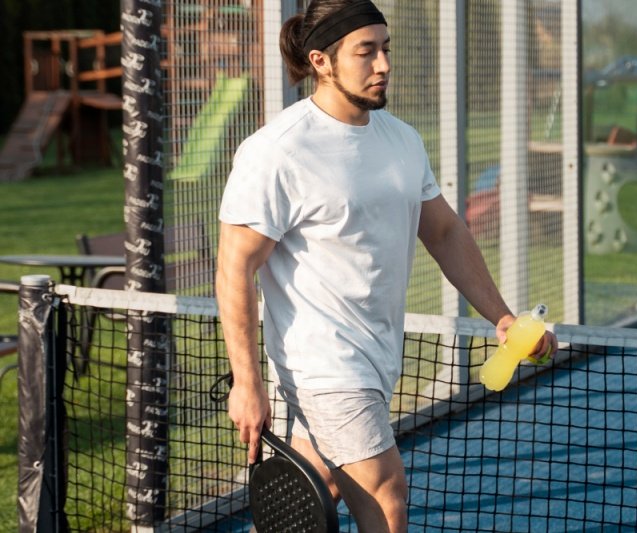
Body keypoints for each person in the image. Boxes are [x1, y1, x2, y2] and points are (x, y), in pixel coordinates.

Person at [215, 1, 558, 531]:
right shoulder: (277, 152)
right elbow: (235, 267)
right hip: (322, 365)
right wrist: (246, 381)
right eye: (365, 51)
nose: (383, 64)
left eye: (386, 48)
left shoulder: (401, 139)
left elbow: (444, 231)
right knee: (386, 494)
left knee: (321, 482)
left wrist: (502, 317)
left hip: (379, 356)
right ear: (321, 62)